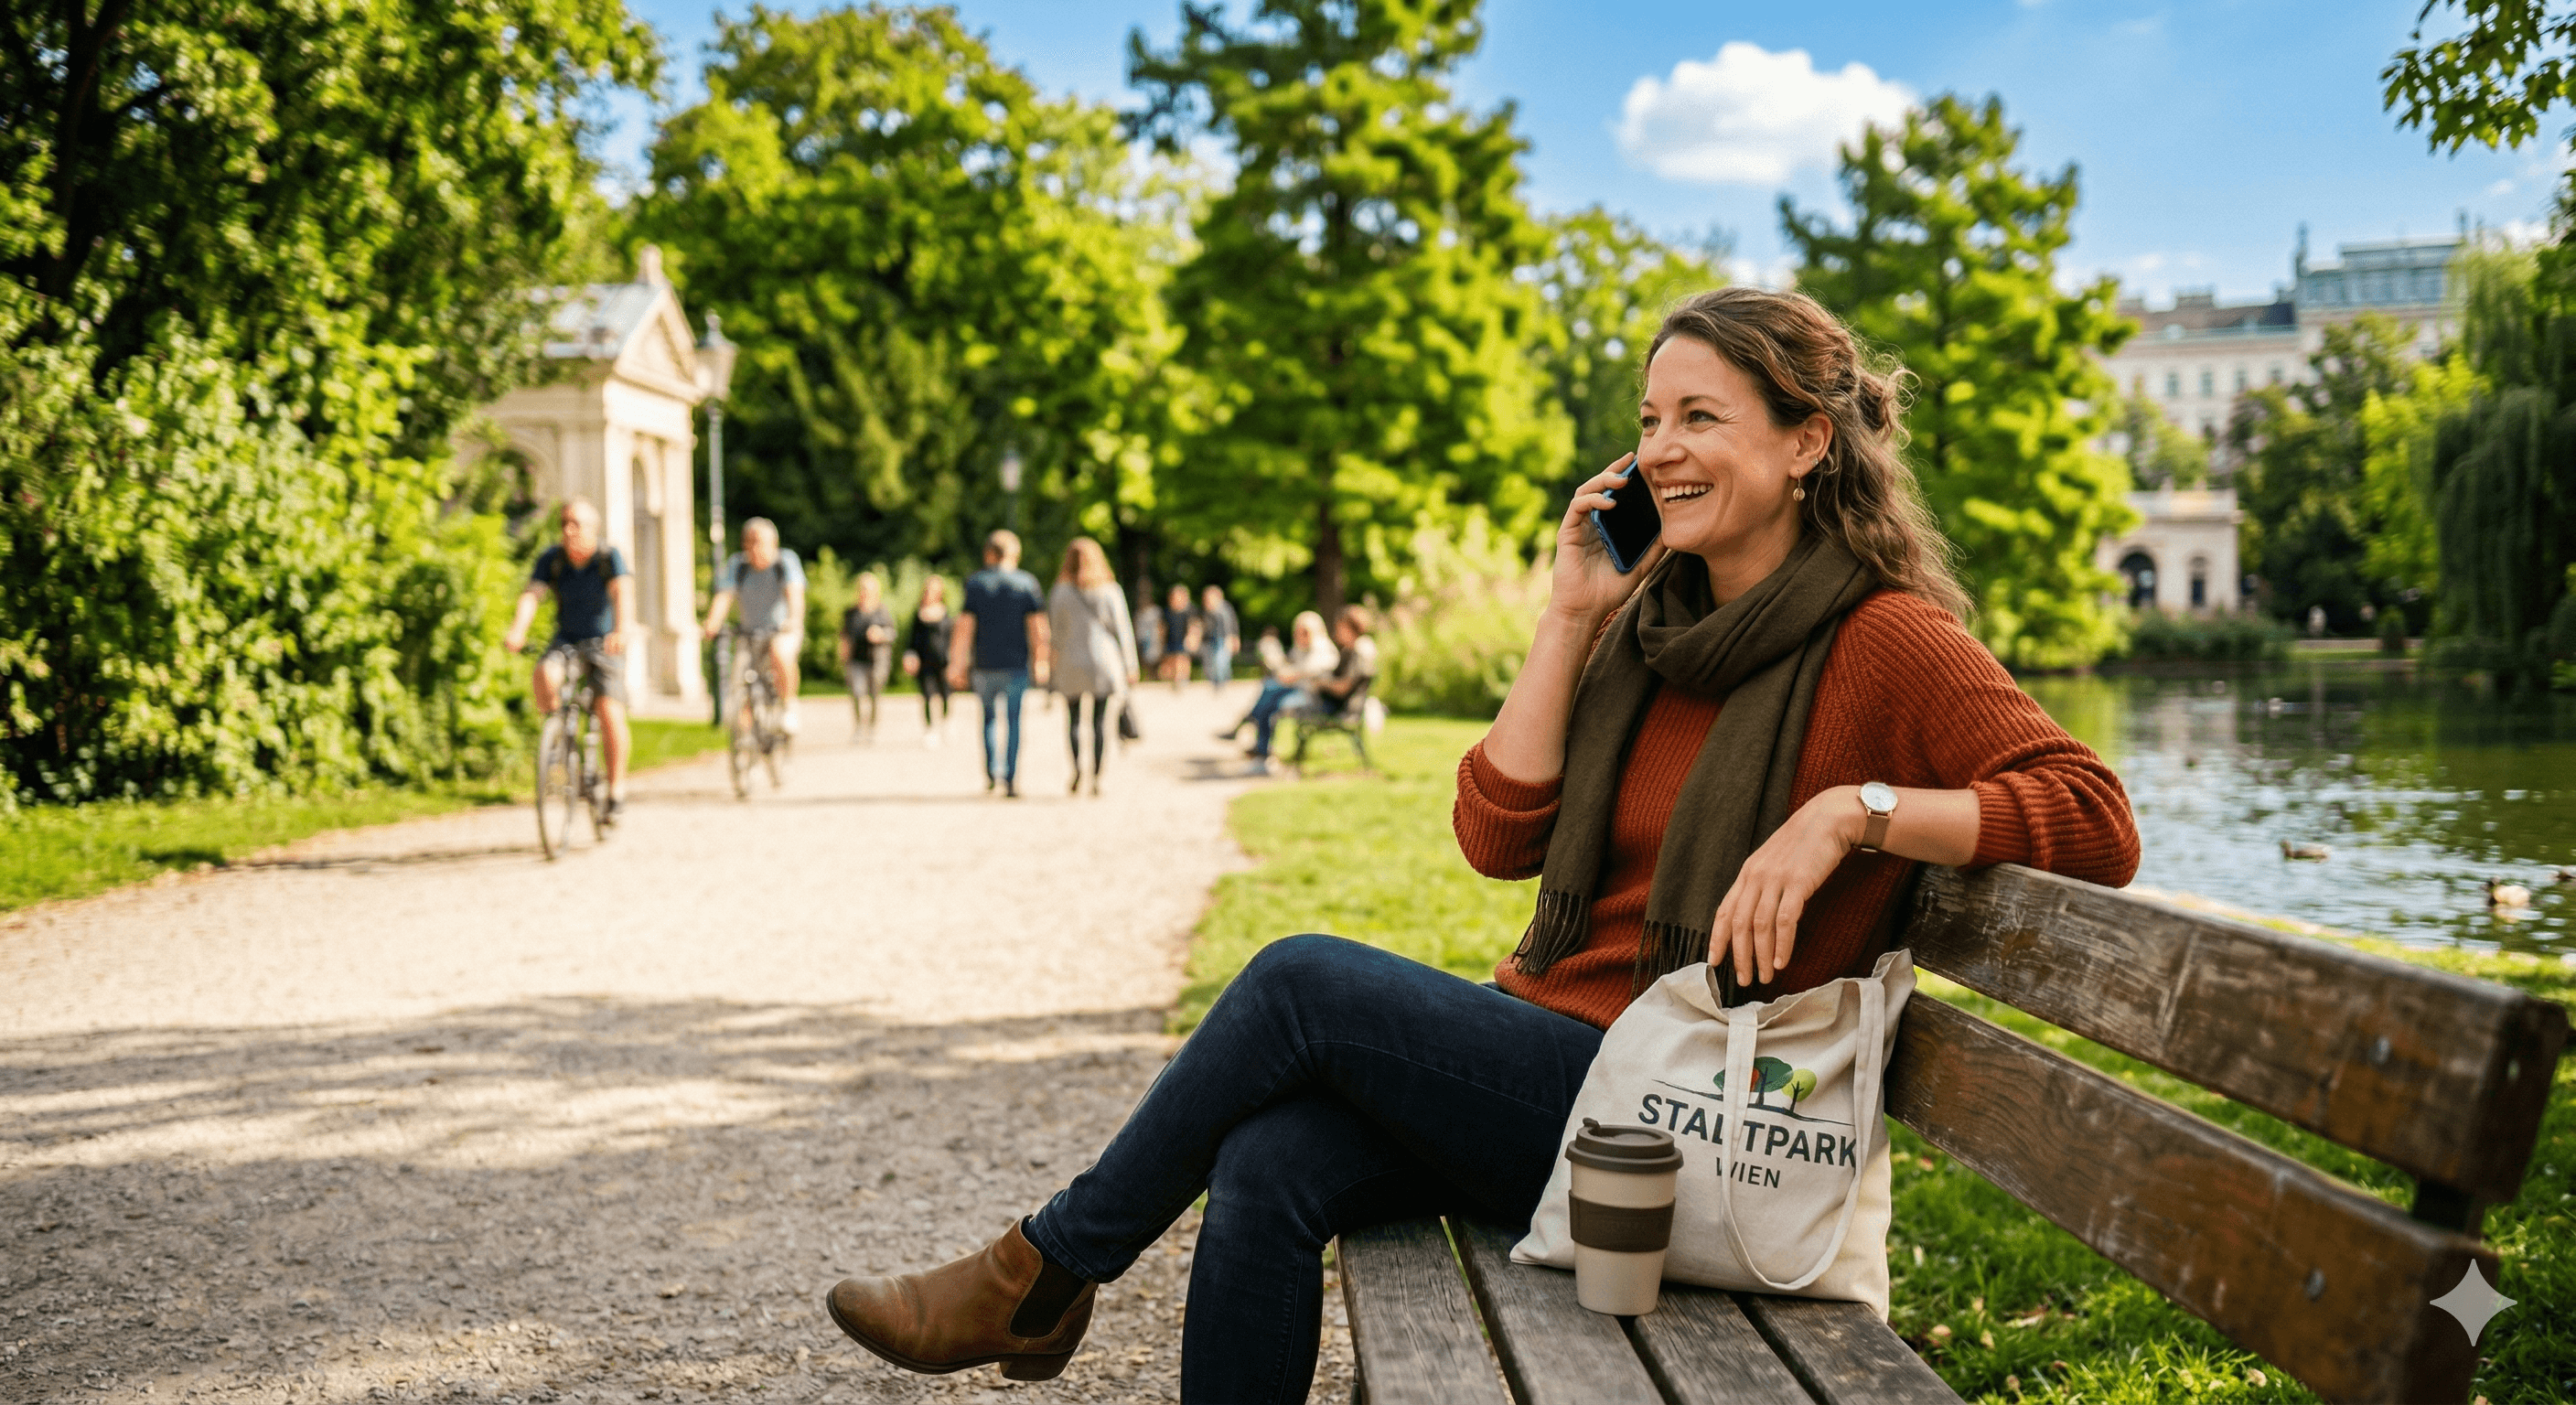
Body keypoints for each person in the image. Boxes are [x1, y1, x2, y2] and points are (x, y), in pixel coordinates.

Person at [821, 286, 2143, 1402]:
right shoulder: (1646, 623)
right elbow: (1494, 837)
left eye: (1701, 419)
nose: (1660, 451)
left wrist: (1846, 815)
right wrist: (1569, 616)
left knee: (1298, 980)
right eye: (1648, 420)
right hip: (1568, 1072)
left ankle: (1041, 1274)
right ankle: (1040, 1284)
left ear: (1807, 446)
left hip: (1682, 1117)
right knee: (1268, 1163)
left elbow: (2094, 814)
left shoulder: (1886, 641)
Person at [501, 499, 635, 824]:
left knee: (609, 712)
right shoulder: (552, 558)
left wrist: (622, 629)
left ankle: (616, 790)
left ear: (594, 528)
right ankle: (559, 738)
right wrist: (518, 630)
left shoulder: (607, 557)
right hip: (566, 639)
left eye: (576, 524)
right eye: (564, 524)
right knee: (545, 675)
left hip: (604, 644)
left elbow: (623, 592)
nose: (568, 530)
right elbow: (533, 594)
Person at [949, 530, 1050, 798]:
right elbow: (1038, 627)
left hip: (984, 664)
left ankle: (993, 774)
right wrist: (1041, 660)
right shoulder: (1027, 583)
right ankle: (1012, 777)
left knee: (989, 720)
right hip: (1016, 664)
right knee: (1015, 721)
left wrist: (957, 663)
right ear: (1014, 554)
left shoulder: (976, 583)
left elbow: (965, 628)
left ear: (989, 554)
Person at [1046, 538, 1141, 796]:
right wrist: (1131, 665)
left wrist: (1050, 670)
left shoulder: (1060, 592)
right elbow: (1123, 631)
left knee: (1074, 721)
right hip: (1103, 662)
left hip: (1071, 663)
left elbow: (1054, 635)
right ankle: (1097, 777)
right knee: (1100, 721)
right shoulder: (1109, 590)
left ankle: (1078, 771)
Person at [701, 518, 807, 735]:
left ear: (774, 543)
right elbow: (724, 597)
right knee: (740, 678)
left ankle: (788, 707)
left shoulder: (785, 562)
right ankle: (745, 743)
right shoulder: (737, 565)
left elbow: (795, 596)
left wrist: (794, 619)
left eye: (759, 542)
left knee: (780, 652)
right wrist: (712, 622)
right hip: (749, 632)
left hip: (781, 629)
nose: (753, 548)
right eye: (748, 542)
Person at [1259, 605, 1378, 769]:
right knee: (1273, 692)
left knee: (1280, 705)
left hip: (1337, 708)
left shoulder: (1359, 652)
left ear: (1349, 627)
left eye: (1340, 626)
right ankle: (1261, 748)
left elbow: (1343, 687)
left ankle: (1264, 753)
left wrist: (1321, 682)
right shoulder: (1350, 650)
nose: (1337, 630)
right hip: (1330, 702)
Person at [1220, 610, 1336, 760]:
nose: (1299, 635)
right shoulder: (1301, 648)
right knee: (1269, 690)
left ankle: (1250, 724)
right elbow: (1289, 668)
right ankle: (1258, 740)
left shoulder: (1322, 649)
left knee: (1272, 703)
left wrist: (1290, 673)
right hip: (1300, 691)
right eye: (1298, 631)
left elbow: (1305, 672)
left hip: (1315, 698)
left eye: (1303, 632)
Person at [838, 571, 896, 742]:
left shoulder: (882, 611)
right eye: (862, 589)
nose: (864, 593)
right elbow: (845, 635)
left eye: (868, 590)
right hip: (856, 660)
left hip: (877, 660)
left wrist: (880, 634)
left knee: (875, 695)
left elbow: (892, 634)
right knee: (856, 693)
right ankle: (858, 727)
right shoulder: (851, 612)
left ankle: (872, 728)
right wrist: (843, 654)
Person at [905, 576, 957, 747]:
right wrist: (910, 656)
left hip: (943, 662)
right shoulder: (918, 615)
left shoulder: (945, 612)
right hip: (924, 662)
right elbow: (912, 640)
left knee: (946, 695)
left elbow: (952, 637)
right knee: (927, 695)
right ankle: (930, 729)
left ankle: (945, 723)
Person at [1156, 585, 1200, 690]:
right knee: (1169, 663)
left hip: (1183, 641)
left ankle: (1182, 681)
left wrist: (1192, 639)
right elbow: (1162, 627)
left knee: (1182, 660)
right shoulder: (1167, 612)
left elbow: (1194, 626)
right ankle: (1170, 681)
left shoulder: (1190, 610)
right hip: (1170, 641)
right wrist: (1160, 640)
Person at [1199, 585, 1240, 692]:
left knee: (1221, 661)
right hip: (1209, 640)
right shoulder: (1205, 610)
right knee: (1210, 663)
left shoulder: (1225, 609)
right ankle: (1215, 683)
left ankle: (1223, 683)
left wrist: (1233, 638)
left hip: (1223, 639)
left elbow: (1232, 625)